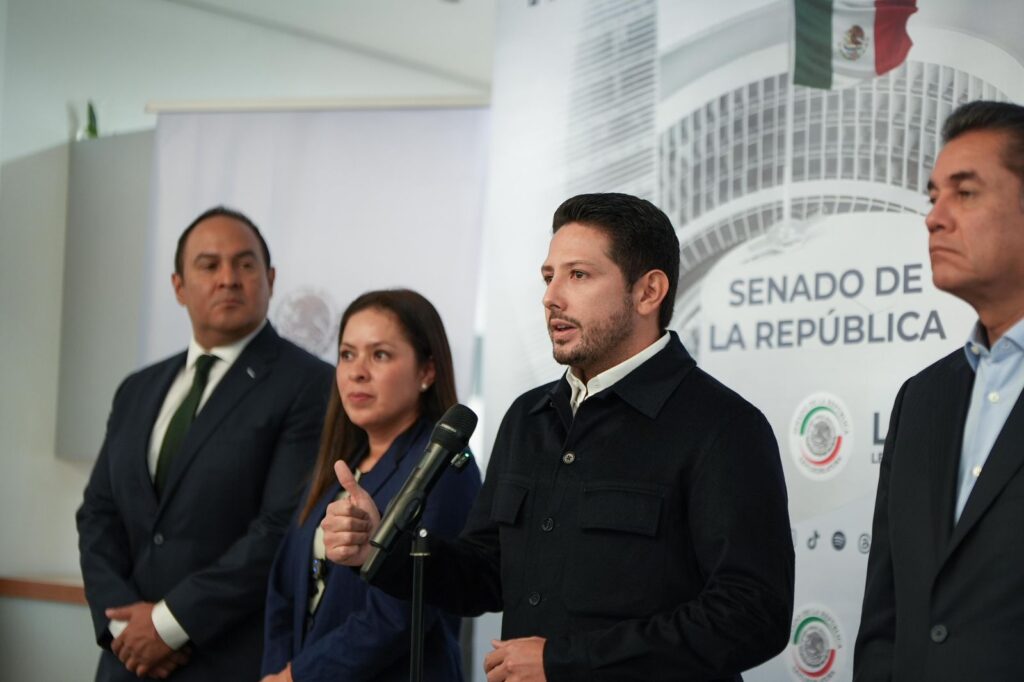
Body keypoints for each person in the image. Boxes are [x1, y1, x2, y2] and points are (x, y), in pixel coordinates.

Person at [323, 193, 794, 681]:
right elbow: (487, 574)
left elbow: (752, 615)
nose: (551, 297)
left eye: (579, 275)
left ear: (648, 291)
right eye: (549, 277)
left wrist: (564, 663)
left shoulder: (723, 427)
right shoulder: (528, 418)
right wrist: (380, 552)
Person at [76, 207, 334, 681]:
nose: (229, 279)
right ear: (178, 286)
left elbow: (279, 528)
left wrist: (168, 626)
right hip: (126, 659)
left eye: (245, 264)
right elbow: (98, 515)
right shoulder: (138, 388)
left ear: (271, 279)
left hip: (228, 657)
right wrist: (122, 627)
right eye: (209, 265)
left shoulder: (312, 385)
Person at [854, 101, 1024, 681]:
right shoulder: (921, 399)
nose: (934, 218)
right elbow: (885, 616)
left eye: (965, 193)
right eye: (933, 197)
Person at [260, 289, 482, 682]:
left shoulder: (446, 467)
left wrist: (300, 675)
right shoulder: (340, 463)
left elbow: (400, 613)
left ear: (427, 371)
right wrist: (278, 672)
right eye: (347, 354)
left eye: (379, 355)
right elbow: (284, 584)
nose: (356, 371)